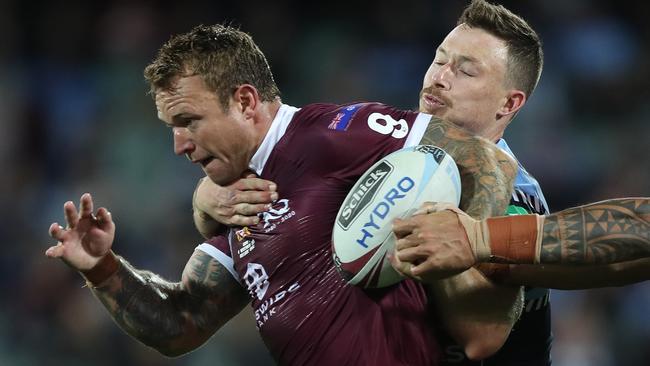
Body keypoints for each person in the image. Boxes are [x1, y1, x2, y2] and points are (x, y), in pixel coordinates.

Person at [190, 1, 650, 365]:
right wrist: (211, 194)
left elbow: (480, 337)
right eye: (439, 60)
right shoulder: (393, 159)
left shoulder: (511, 198)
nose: (439, 78)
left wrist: (471, 236)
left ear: (509, 103)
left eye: (466, 70)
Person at [45, 22, 524, 366]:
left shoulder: (337, 134)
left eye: (189, 121)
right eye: (172, 127)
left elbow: (487, 160)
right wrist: (103, 268)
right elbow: (179, 323)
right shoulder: (236, 202)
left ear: (246, 101)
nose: (179, 145)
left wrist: (466, 255)